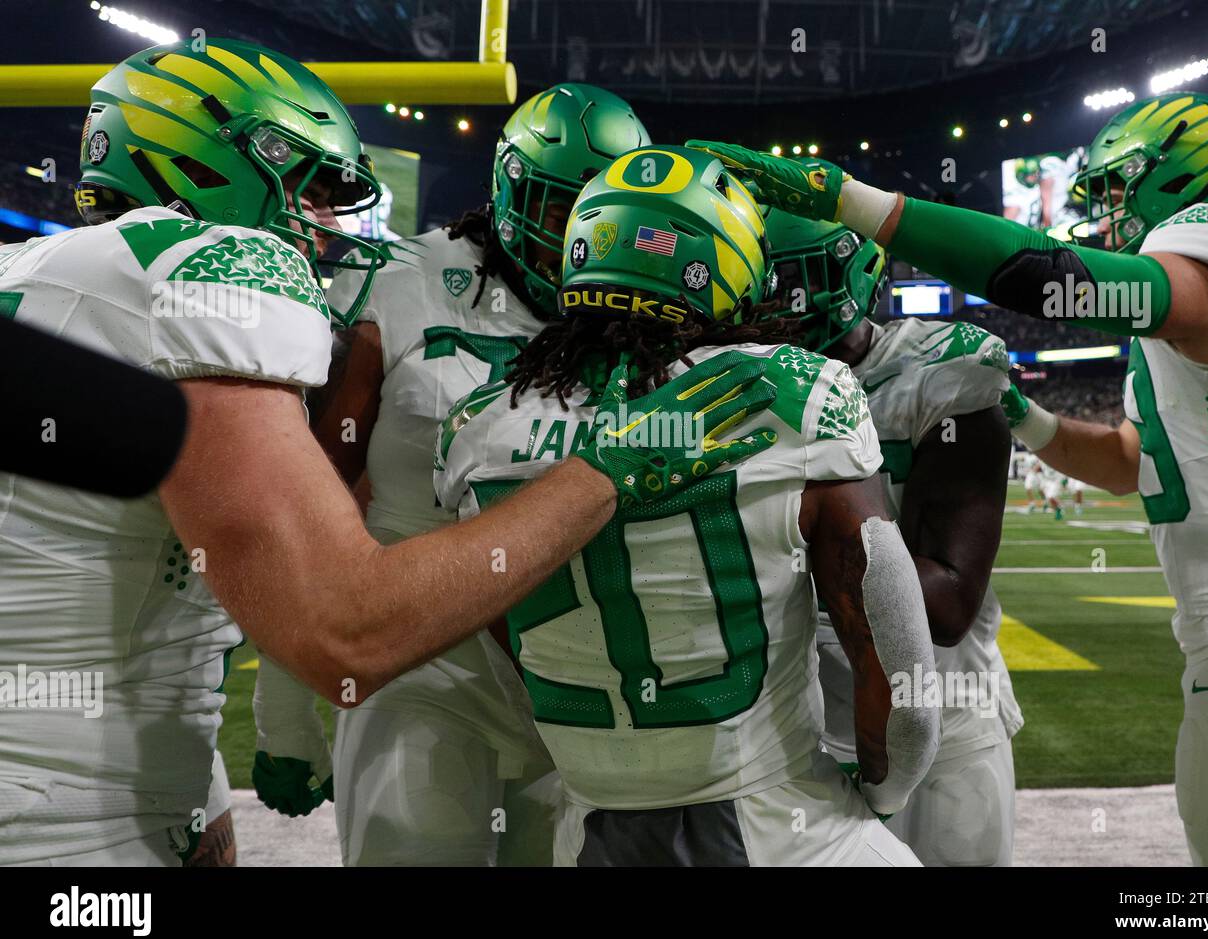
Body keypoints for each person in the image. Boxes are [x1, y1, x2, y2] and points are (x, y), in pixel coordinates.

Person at [0, 41, 775, 866]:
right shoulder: (221, 268)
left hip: (109, 778)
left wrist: (193, 800)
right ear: (210, 164)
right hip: (75, 827)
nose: (328, 226)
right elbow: (346, 628)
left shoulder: (34, 271)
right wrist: (599, 479)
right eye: (311, 190)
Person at [689, 89, 1208, 866]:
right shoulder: (1198, 329)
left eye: (1115, 189)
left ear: (1180, 181)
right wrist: (1029, 419)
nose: (1106, 214)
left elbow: (1057, 282)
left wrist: (854, 200)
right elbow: (1127, 461)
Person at [434, 146, 940, 866]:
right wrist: (878, 802)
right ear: (730, 262)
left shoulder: (475, 425)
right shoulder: (796, 392)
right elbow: (905, 692)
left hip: (593, 833)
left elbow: (502, 634)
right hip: (782, 827)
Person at [252, 83, 652, 866]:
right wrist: (285, 712)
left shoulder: (639, 308)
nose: (577, 234)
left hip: (578, 680)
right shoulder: (404, 280)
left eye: (599, 210)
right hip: (419, 659)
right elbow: (307, 501)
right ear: (509, 190)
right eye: (560, 204)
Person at [766, 209, 1021, 865]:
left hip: (946, 715)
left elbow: (946, 607)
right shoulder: (742, 386)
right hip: (805, 734)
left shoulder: (938, 372)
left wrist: (799, 552)